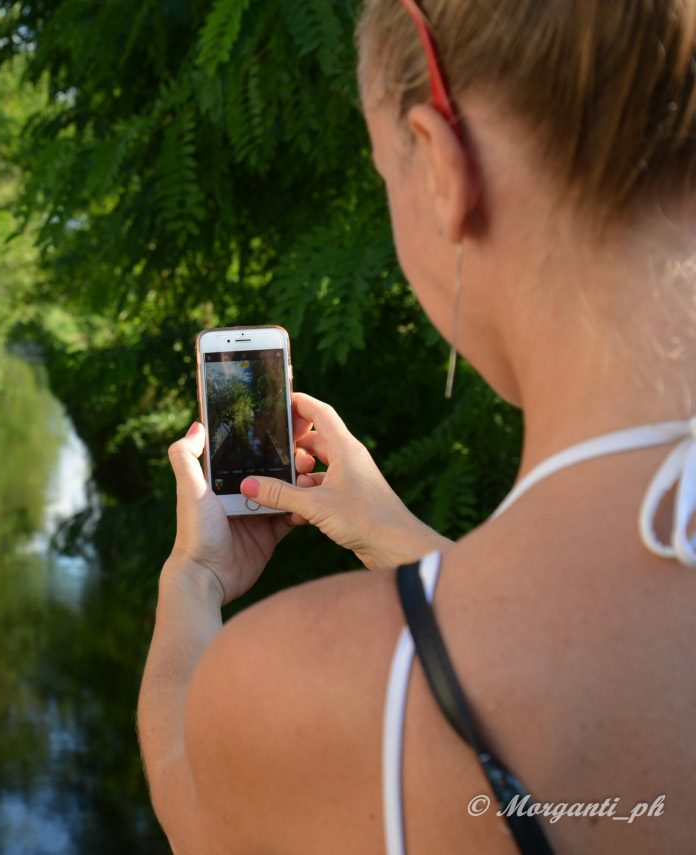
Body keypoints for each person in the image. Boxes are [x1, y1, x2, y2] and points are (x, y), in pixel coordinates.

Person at [137, 0, 696, 853]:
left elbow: (189, 799)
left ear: (441, 165)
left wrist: (194, 580)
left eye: (382, 170)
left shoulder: (319, 681)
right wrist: (395, 535)